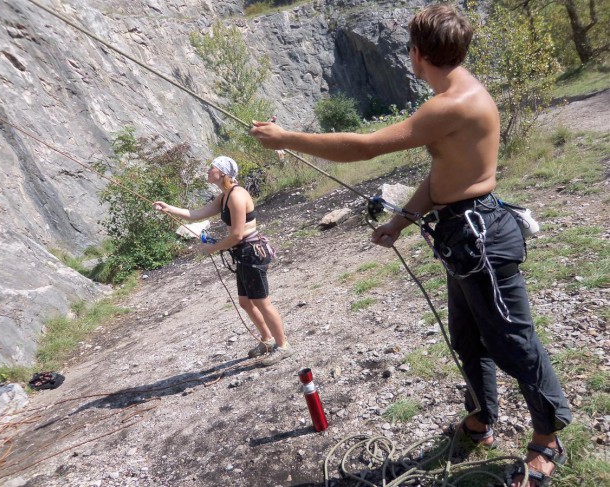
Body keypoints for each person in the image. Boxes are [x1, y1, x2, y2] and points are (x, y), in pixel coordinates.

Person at [249, 4, 570, 486]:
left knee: (514, 343)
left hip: (480, 236)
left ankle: (548, 440)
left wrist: (286, 138)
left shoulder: (452, 103)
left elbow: (364, 147)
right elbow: (445, 174)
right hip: (463, 234)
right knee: (468, 338)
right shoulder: (453, 95)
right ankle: (482, 418)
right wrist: (402, 220)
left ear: (416, 54)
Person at [153, 156, 293, 366]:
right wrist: (169, 208)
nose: (209, 171)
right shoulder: (225, 196)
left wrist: (211, 248)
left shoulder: (236, 196)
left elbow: (237, 235)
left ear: (223, 173)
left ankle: (282, 346)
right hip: (243, 254)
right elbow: (197, 214)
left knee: (262, 302)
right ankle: (267, 339)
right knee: (246, 302)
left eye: (212, 168)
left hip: (251, 253)